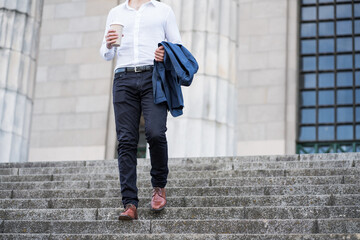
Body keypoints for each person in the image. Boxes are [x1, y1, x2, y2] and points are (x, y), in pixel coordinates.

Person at [100, 0, 181, 220]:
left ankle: (158, 187)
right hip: (123, 77)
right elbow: (105, 54)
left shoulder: (163, 11)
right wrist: (108, 45)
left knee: (155, 132)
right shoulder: (115, 13)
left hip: (152, 76)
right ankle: (129, 203)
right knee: (126, 140)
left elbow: (177, 45)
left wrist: (165, 53)